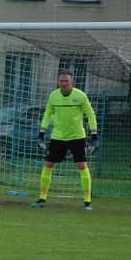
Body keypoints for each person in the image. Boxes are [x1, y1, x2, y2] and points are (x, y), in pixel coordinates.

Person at [31, 69, 98, 211]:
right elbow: (48, 114)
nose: (64, 83)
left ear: (72, 82)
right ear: (58, 82)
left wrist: (94, 135)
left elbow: (90, 114)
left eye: (66, 81)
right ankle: (42, 198)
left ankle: (87, 201)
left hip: (77, 136)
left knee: (82, 165)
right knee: (48, 164)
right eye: (61, 81)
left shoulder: (81, 96)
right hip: (58, 137)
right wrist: (41, 133)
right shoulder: (53, 96)